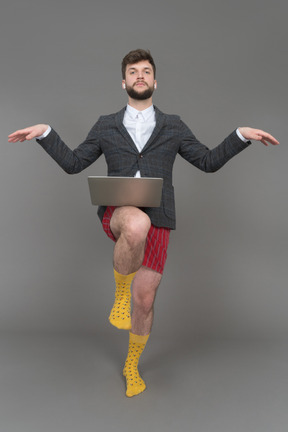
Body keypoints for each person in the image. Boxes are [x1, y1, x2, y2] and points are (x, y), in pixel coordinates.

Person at [8, 49, 279, 398]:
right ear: (123, 82)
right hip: (119, 213)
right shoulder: (106, 124)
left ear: (155, 81)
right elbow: (74, 163)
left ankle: (131, 364)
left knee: (146, 299)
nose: (140, 75)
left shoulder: (174, 125)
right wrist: (45, 132)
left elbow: (208, 161)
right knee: (136, 223)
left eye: (146, 70)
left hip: (160, 216)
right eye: (133, 71)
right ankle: (120, 292)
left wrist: (240, 135)